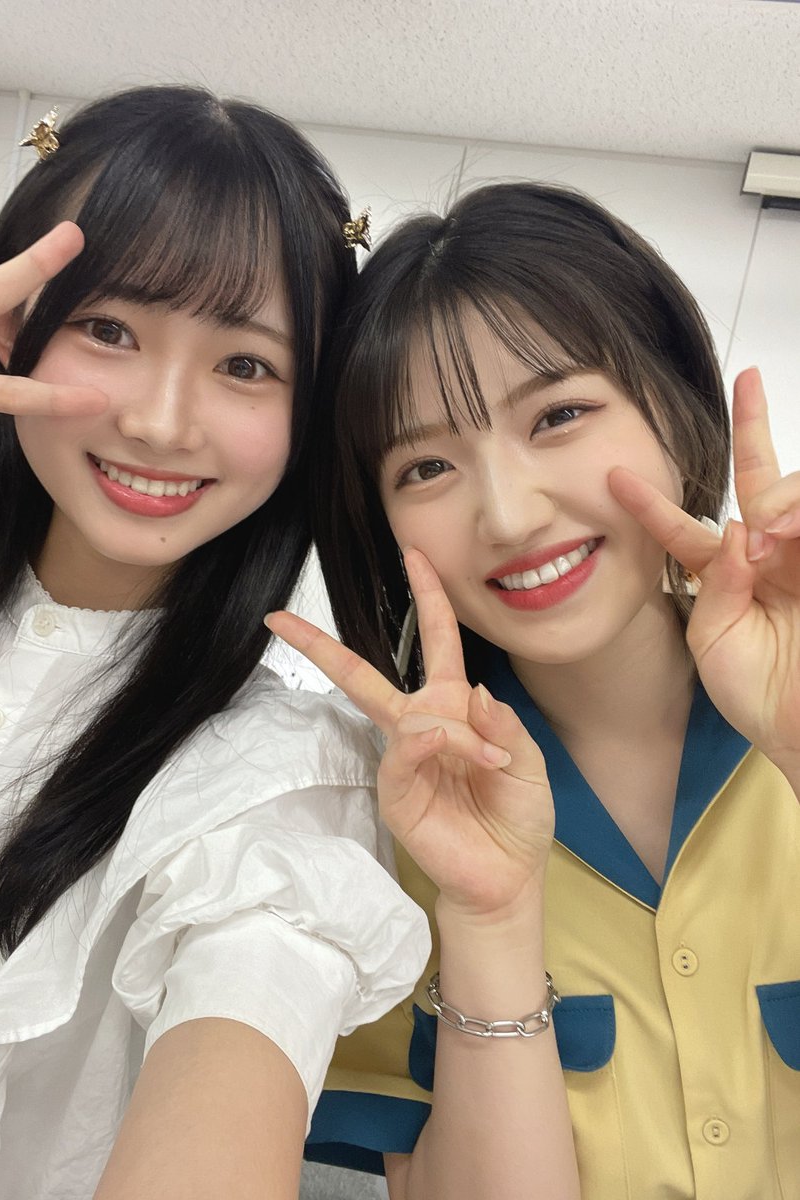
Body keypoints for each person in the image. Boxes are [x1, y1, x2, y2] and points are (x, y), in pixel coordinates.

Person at [0, 86, 429, 1199]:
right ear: (12, 329)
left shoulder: (278, 773)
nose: (158, 421)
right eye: (109, 330)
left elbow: (245, 1022)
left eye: (246, 366)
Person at [267, 182, 800, 1200]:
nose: (509, 516)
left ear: (677, 411)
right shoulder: (379, 830)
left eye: (558, 415)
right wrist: (492, 921)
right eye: (426, 467)